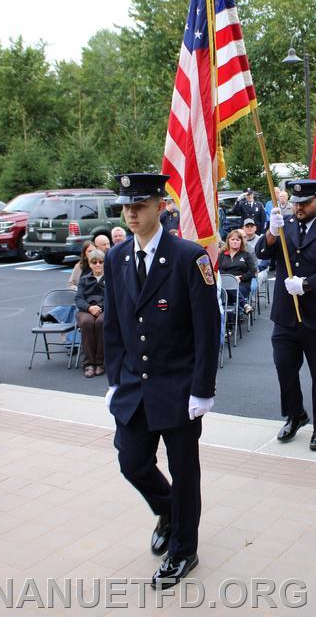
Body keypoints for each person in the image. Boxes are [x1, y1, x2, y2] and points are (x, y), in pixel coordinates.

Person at [103, 172, 220, 590]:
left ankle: (184, 550)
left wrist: (203, 389)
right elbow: (115, 321)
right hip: (135, 385)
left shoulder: (190, 257)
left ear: (161, 207)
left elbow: (209, 328)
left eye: (140, 205)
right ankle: (170, 511)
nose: (131, 213)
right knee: (131, 462)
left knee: (184, 471)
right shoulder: (117, 257)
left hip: (178, 386)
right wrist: (115, 378)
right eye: (126, 206)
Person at [255, 179, 316, 451]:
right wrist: (272, 233)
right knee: (284, 368)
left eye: (305, 202)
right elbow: (263, 252)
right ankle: (295, 413)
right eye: (296, 203)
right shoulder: (284, 226)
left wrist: (306, 284)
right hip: (286, 315)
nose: (299, 208)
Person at [75, 249, 106, 378]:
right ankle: (89, 363)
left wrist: (99, 307)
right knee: (86, 322)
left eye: (100, 261)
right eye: (94, 262)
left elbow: (113, 296)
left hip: (104, 309)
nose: (98, 264)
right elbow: (78, 298)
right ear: (90, 263)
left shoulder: (110, 278)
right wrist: (89, 308)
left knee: (101, 322)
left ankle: (100, 362)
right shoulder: (84, 279)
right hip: (87, 310)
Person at [217, 229, 256, 314]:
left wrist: (241, 278)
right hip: (225, 283)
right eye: (233, 239)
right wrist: (231, 278)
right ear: (228, 241)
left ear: (241, 242)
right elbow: (218, 269)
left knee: (229, 291)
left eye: (237, 240)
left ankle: (230, 318)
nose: (235, 242)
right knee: (227, 289)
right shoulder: (222, 255)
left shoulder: (246, 255)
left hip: (242, 284)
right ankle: (244, 305)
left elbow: (252, 271)